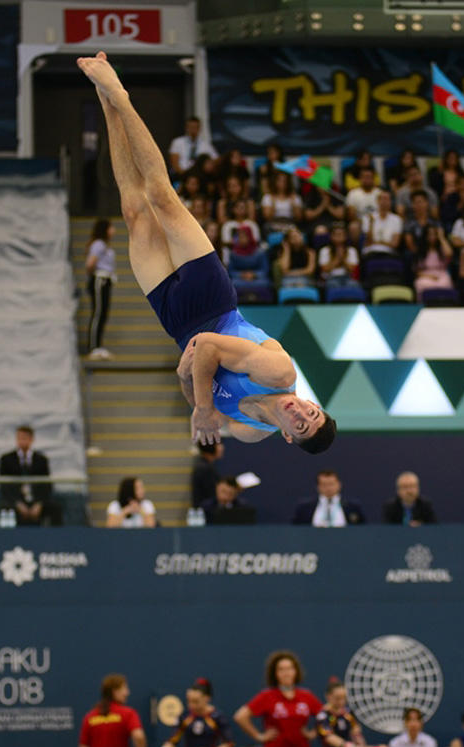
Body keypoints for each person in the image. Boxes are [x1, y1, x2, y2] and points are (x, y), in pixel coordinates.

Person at [77, 53, 335, 453]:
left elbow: (202, 399)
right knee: (162, 197)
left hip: (177, 323)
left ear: (287, 435)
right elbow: (211, 348)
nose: (300, 414)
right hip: (212, 301)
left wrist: (184, 379)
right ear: (313, 403)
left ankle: (105, 101)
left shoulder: (251, 430)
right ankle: (122, 96)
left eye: (300, 426)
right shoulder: (278, 371)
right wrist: (199, 402)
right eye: (311, 413)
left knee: (133, 210)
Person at [234, 651, 322, 747]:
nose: (286, 673)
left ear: (296, 671)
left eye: (290, 668)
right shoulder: (267, 696)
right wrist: (259, 736)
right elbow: (240, 716)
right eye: (281, 669)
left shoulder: (306, 695)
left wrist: (313, 733)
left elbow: (325, 716)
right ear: (275, 673)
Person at [159, 678, 233, 747]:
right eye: (189, 701)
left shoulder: (217, 717)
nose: (191, 705)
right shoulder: (185, 716)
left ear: (207, 698)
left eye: (195, 702)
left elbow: (229, 744)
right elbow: (173, 740)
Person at [79, 673, 149, 747]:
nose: (128, 693)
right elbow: (139, 737)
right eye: (125, 688)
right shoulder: (128, 713)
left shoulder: (90, 716)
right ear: (115, 691)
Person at [0, 425, 59, 526]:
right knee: (6, 509)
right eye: (19, 438)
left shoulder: (41, 460)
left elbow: (47, 485)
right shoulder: (6, 459)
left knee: (55, 508)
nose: (21, 441)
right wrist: (18, 503)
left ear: (31, 439)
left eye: (24, 438)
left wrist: (39, 503)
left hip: (36, 500)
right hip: (15, 501)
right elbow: (4, 486)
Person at [84, 218, 117, 360]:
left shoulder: (105, 245)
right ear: (105, 229)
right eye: (111, 228)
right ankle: (93, 347)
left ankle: (98, 346)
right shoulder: (98, 244)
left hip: (106, 280)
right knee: (98, 313)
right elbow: (90, 264)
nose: (114, 231)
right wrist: (95, 277)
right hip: (100, 280)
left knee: (103, 314)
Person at [292, 469, 365, 526]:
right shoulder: (304, 508)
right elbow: (295, 530)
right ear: (318, 487)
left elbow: (362, 530)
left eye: (331, 484)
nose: (328, 488)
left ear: (339, 484)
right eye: (324, 484)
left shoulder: (353, 507)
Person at [316, 677, 366, 747]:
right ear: (328, 696)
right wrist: (349, 746)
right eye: (338, 698)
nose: (341, 702)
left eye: (344, 698)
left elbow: (356, 731)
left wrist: (361, 745)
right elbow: (329, 737)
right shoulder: (323, 716)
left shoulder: (348, 713)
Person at [413, 224, 455, 296]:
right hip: (425, 276)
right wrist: (430, 276)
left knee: (445, 282)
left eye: (434, 234)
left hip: (441, 275)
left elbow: (449, 253)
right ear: (425, 236)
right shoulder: (420, 251)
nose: (432, 237)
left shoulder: (442, 249)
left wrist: (441, 237)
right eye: (430, 235)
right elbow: (417, 272)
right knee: (420, 283)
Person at [317, 222, 361, 290]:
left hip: (347, 277)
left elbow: (353, 270)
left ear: (345, 236)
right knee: (333, 284)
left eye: (341, 234)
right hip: (331, 278)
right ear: (331, 236)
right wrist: (337, 259)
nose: (339, 236)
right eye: (336, 234)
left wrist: (343, 259)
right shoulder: (324, 250)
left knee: (353, 284)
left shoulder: (352, 250)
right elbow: (324, 269)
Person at [190, 441, 223, 509]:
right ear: (210, 447)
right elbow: (211, 494)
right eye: (218, 444)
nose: (222, 447)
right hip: (206, 512)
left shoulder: (205, 465)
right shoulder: (205, 468)